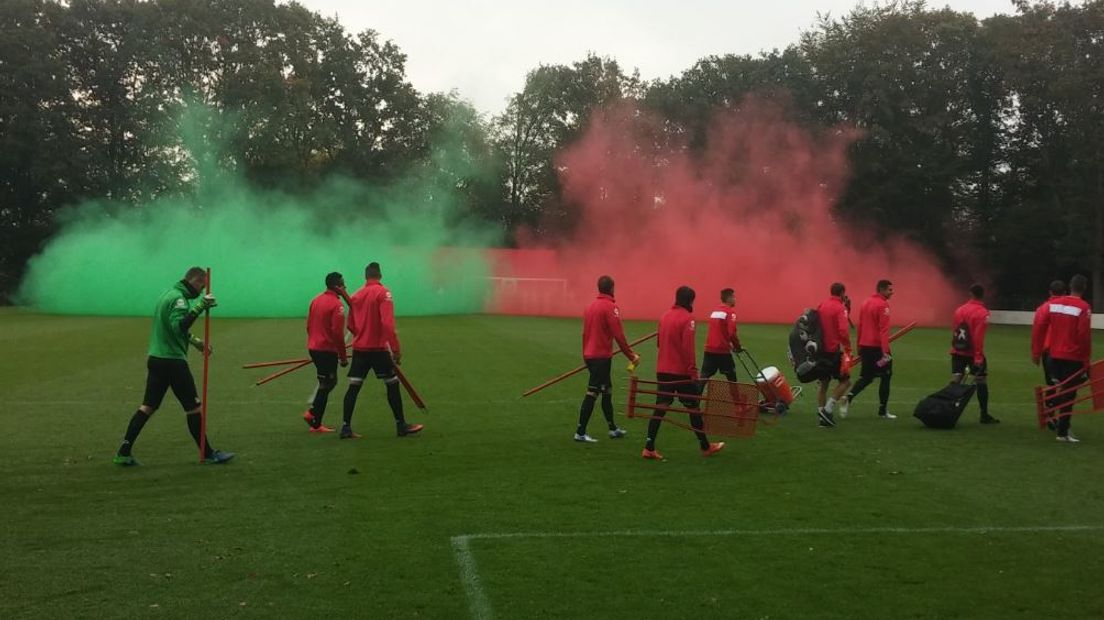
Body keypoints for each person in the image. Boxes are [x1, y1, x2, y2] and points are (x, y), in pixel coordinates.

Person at [113, 267, 234, 466]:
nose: (202, 291)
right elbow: (179, 326)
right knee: (193, 408)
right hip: (172, 362)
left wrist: (196, 342)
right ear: (194, 281)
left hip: (156, 358)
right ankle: (208, 453)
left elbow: (172, 329)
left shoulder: (168, 294)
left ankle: (123, 452)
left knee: (148, 407)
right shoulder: (179, 300)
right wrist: (200, 307)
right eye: (202, 286)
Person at [341, 262, 423, 439]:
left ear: (366, 276)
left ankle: (345, 427)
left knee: (353, 387)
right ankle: (401, 425)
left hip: (360, 349)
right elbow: (387, 324)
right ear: (380, 275)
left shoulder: (356, 295)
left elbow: (350, 325)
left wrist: (362, 334)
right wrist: (395, 348)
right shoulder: (383, 292)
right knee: (392, 384)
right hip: (378, 349)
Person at [642, 286, 725, 460]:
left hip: (662, 370)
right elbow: (688, 350)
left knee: (661, 407)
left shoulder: (664, 316)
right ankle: (705, 446)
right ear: (690, 301)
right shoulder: (688, 319)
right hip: (680, 372)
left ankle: (649, 447)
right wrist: (693, 372)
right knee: (693, 408)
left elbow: (659, 343)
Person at [574, 275, 640, 443]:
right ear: (612, 288)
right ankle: (580, 432)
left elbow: (584, 334)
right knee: (593, 393)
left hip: (591, 356)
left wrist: (585, 355)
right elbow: (619, 335)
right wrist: (631, 356)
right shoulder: (610, 307)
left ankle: (612, 429)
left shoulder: (590, 307)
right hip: (600, 358)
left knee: (607, 391)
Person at [1032, 274, 1092, 442]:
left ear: (1070, 286)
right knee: (1070, 393)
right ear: (1084, 288)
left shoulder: (1052, 305)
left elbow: (1039, 327)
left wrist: (1036, 352)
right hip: (1072, 357)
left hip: (1052, 355)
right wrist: (1085, 359)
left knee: (1061, 388)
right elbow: (1083, 336)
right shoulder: (1083, 307)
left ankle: (1050, 409)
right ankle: (1062, 432)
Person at [303, 272, 350, 433]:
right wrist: (343, 357)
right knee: (328, 383)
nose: (345, 287)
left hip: (314, 348)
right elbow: (337, 333)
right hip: (326, 350)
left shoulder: (316, 300)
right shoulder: (337, 305)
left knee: (327, 382)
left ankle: (315, 419)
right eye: (343, 284)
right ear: (337, 286)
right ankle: (313, 416)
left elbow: (308, 326)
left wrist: (314, 342)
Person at [842, 279, 895, 419]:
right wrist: (885, 353)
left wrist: (859, 345)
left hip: (865, 346)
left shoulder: (866, 302)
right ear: (882, 290)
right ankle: (882, 411)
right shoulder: (883, 305)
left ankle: (849, 396)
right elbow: (884, 331)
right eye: (890, 290)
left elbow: (860, 325)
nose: (892, 292)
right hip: (878, 348)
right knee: (886, 376)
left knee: (867, 376)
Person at [949, 284, 999, 424]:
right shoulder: (982, 312)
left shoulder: (959, 310)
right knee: (981, 381)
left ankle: (948, 409)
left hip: (958, 350)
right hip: (973, 352)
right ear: (983, 295)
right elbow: (978, 336)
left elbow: (955, 330)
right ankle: (984, 414)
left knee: (956, 380)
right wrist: (978, 356)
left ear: (970, 294)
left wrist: (955, 347)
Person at [814, 282, 852, 428]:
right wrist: (848, 347)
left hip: (820, 350)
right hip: (832, 351)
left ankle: (821, 416)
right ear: (842, 293)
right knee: (845, 382)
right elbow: (843, 330)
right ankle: (828, 410)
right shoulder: (840, 307)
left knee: (824, 383)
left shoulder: (822, 305)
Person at [701, 288, 742, 382]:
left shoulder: (714, 312)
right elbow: (732, 333)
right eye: (734, 297)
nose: (735, 299)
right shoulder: (730, 312)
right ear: (729, 298)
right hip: (722, 351)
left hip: (709, 350)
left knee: (703, 378)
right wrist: (737, 347)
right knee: (732, 378)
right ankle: (735, 397)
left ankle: (695, 396)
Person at [1034, 280, 1068, 391]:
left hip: (1049, 351)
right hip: (1066, 350)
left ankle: (1051, 407)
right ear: (1064, 293)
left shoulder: (1043, 308)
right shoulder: (1070, 309)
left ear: (1050, 292)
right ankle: (1065, 407)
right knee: (1066, 385)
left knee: (1051, 385)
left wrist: (1036, 353)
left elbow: (1037, 332)